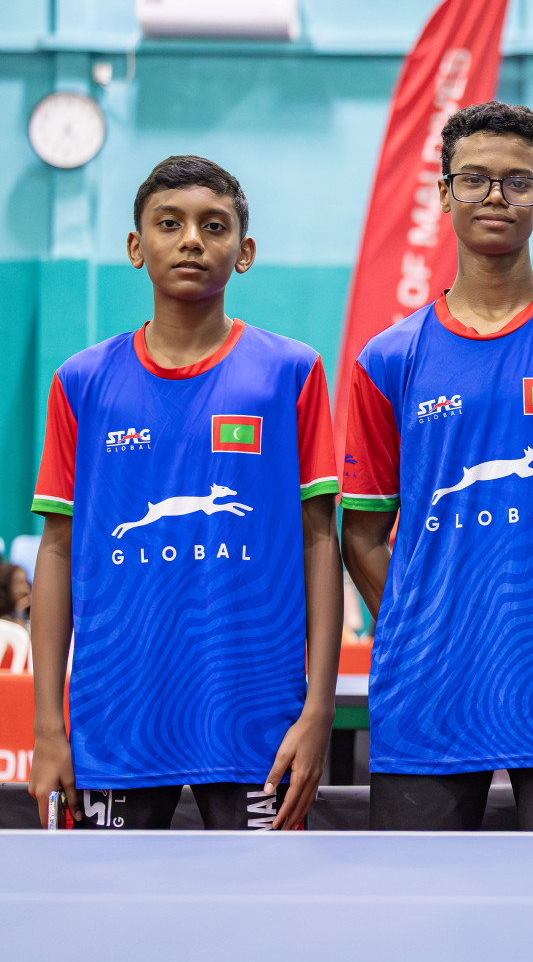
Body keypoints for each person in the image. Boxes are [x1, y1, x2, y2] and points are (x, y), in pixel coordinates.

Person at [340, 102, 533, 831]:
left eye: (517, 182)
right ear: (444, 194)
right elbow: (362, 533)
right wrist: (421, 623)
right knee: (418, 899)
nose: (495, 197)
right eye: (473, 180)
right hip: (428, 692)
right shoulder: (389, 357)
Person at [27, 156, 343, 831]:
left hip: (259, 727)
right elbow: (56, 550)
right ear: (136, 246)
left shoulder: (291, 372)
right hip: (115, 725)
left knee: (269, 901)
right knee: (106, 903)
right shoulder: (81, 381)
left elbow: (320, 540)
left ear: (245, 251)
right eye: (169, 224)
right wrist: (48, 727)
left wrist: (319, 710)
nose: (192, 240)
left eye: (214, 225)